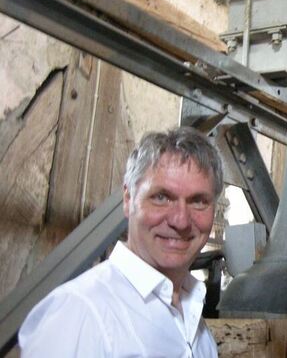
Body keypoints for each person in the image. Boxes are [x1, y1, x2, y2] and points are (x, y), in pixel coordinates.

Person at [19, 127, 223, 357]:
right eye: (161, 197)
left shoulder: (196, 325)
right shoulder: (80, 312)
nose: (180, 220)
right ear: (128, 199)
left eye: (198, 201)